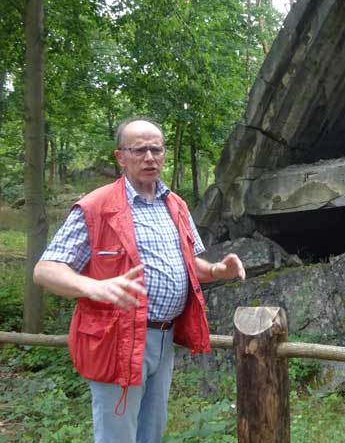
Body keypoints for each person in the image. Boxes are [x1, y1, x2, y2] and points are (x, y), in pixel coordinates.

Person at [34, 118, 245, 443]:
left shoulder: (176, 205)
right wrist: (94, 286)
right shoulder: (96, 207)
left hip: (165, 338)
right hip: (117, 338)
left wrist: (216, 271)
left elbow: (185, 265)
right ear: (121, 156)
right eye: (139, 150)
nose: (149, 157)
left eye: (156, 149)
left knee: (151, 433)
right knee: (117, 436)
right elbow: (46, 269)